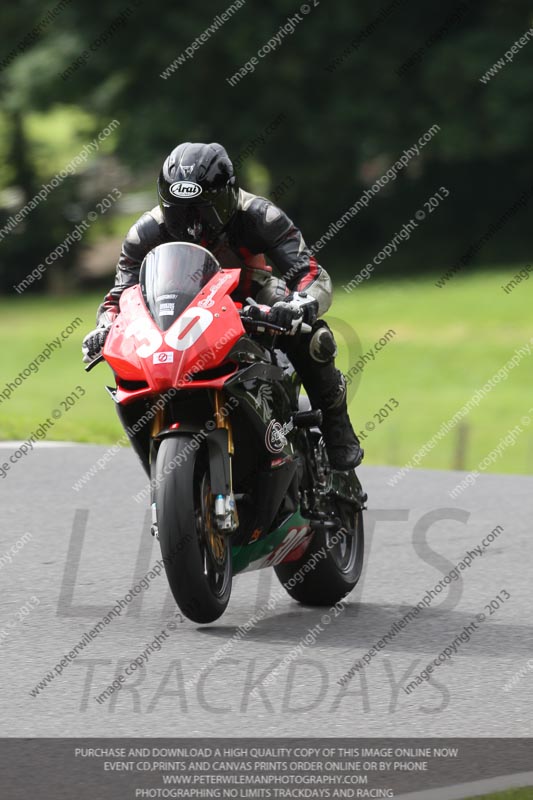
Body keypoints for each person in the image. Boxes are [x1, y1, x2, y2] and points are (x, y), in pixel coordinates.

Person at [82, 142, 363, 471]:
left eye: (205, 210)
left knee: (314, 337)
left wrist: (300, 303)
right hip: (177, 311)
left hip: (251, 299)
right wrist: (105, 327)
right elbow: (120, 295)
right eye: (180, 211)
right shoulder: (145, 232)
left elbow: (309, 272)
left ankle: (336, 429)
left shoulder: (260, 215)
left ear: (229, 195)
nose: (193, 225)